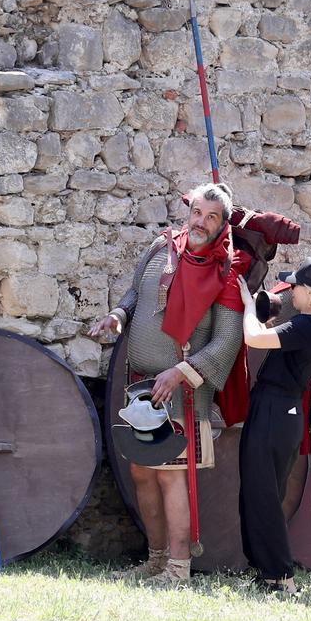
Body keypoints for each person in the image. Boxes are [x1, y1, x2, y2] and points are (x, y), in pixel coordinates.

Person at [90, 183, 245, 584]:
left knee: (172, 473)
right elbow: (134, 296)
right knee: (143, 471)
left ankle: (179, 568)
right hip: (140, 384)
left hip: (183, 390)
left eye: (211, 217)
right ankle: (156, 559)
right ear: (188, 211)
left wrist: (180, 373)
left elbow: (227, 340)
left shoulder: (227, 272)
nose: (201, 222)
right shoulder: (161, 248)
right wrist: (117, 317)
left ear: (222, 223)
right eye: (197, 212)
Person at [235, 259, 311, 596]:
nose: (291, 290)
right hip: (277, 410)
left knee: (263, 493)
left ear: (309, 293)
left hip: (277, 411)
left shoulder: (309, 325)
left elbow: (254, 338)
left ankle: (283, 577)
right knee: (260, 491)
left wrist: (249, 307)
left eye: (295, 286)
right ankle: (269, 574)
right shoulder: (309, 323)